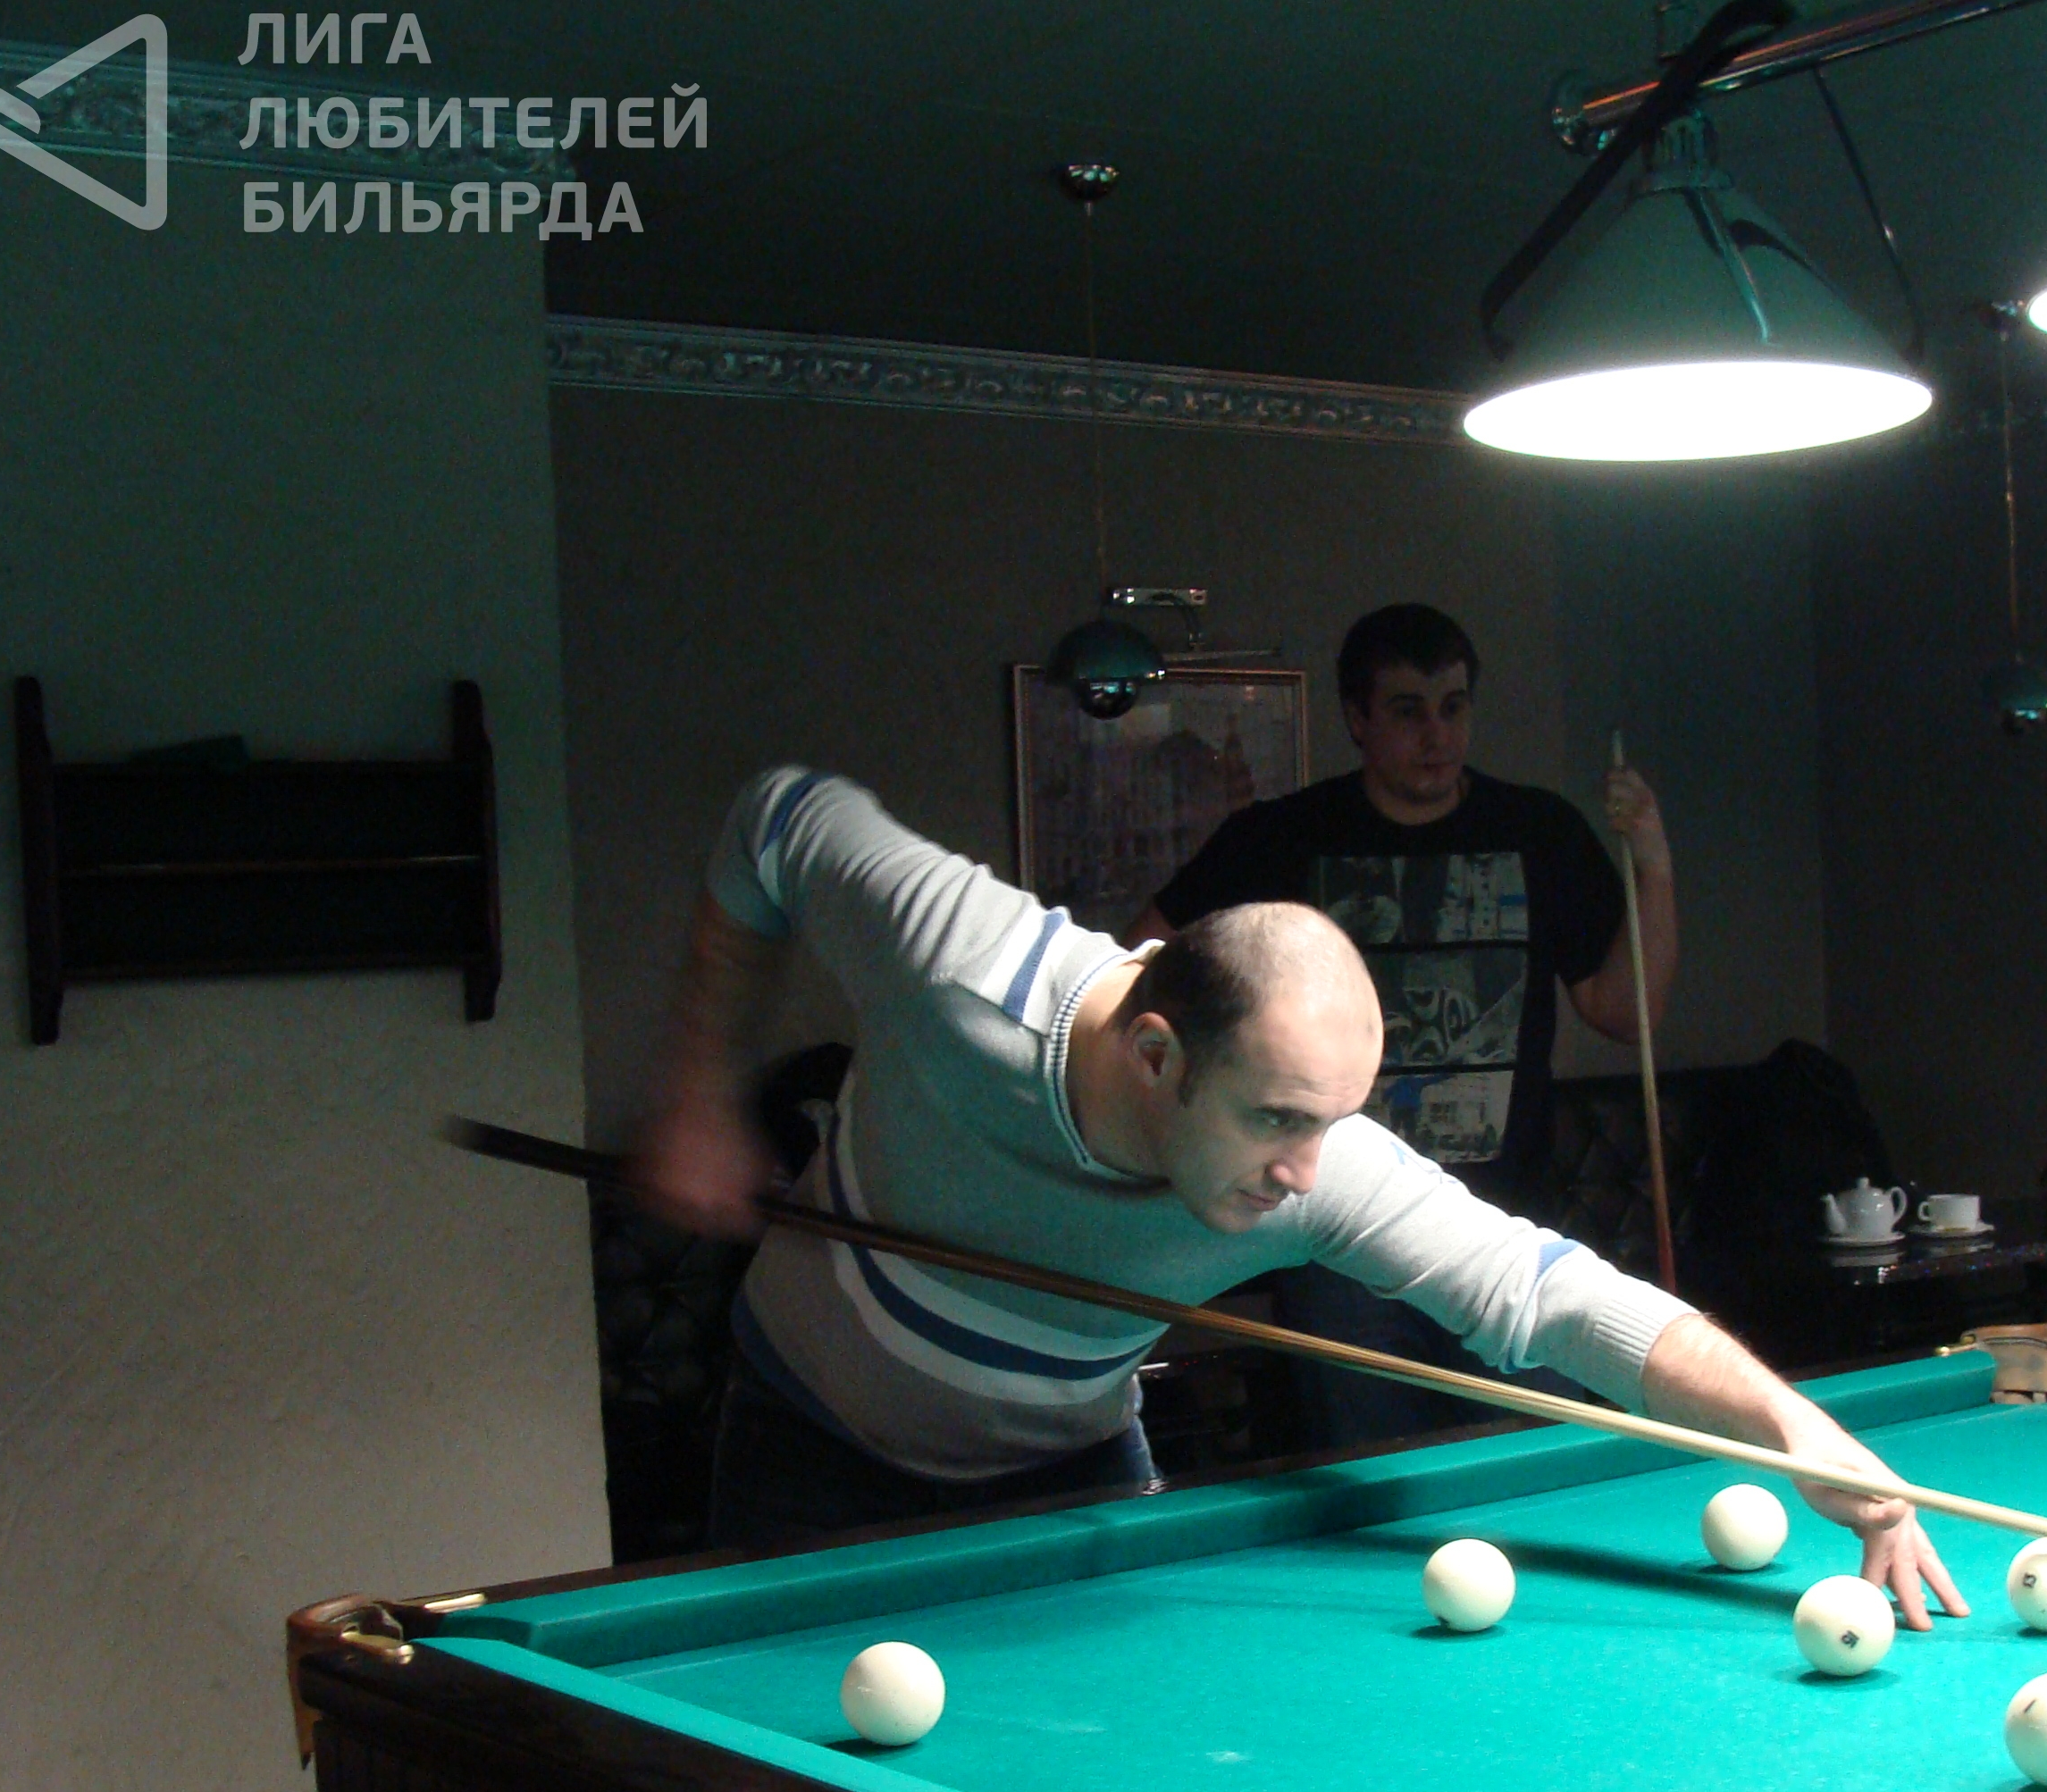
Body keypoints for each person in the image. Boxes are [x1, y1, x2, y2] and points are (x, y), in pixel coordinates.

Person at [631, 764, 1965, 1628]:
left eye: (1331, 1122)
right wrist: (697, 1091)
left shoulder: (1311, 1165)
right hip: (813, 1455)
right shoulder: (959, 967)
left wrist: (1795, 1431)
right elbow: (777, 817)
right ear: (1159, 1058)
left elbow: (1549, 1294)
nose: (1305, 1176)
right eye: (1277, 1120)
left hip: (1069, 1478)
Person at [1128, 603, 1676, 1443]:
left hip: (1503, 1234)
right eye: (1409, 710)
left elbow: (1626, 1013)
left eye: (1453, 707)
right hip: (1336, 1246)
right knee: (1374, 1479)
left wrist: (1655, 866)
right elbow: (1137, 974)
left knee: (1526, 1468)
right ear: (1358, 719)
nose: (1437, 735)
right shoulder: (1284, 838)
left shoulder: (1538, 833)